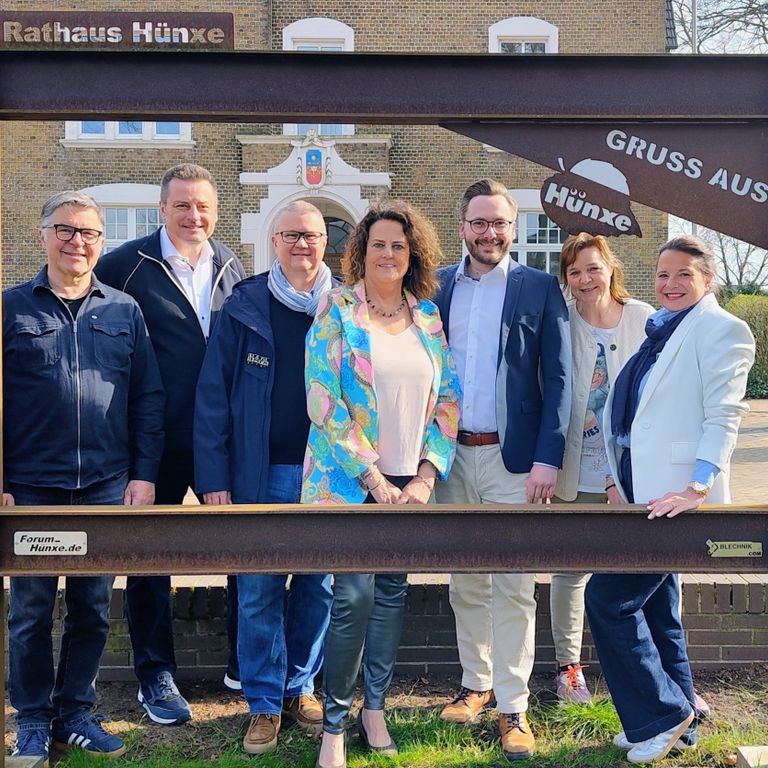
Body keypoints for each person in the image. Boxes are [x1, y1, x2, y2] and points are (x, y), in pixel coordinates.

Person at [2, 191, 164, 765]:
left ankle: (75, 713)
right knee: (29, 612)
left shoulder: (124, 310)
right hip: (31, 488)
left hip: (104, 484)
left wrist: (144, 475)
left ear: (101, 242)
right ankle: (31, 720)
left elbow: (147, 398)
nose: (78, 242)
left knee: (93, 606)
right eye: (65, 230)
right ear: (44, 236)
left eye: (90, 233)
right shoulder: (10, 309)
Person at [302, 201, 460, 768]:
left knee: (391, 593)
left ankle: (375, 708)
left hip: (408, 482)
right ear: (361, 253)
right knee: (353, 597)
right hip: (351, 479)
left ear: (412, 253)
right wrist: (371, 475)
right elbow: (321, 397)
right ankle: (334, 724)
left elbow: (448, 400)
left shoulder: (428, 317)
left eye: (398, 245)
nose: (388, 254)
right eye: (378, 245)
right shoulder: (337, 308)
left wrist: (425, 476)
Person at [586, 235, 755, 764]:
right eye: (663, 274)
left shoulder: (722, 329)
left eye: (683, 274)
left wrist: (697, 487)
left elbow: (725, 416)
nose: (670, 284)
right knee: (659, 609)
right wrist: (614, 480)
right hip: (643, 494)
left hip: (676, 500)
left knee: (608, 600)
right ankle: (682, 724)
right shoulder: (662, 331)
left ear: (707, 279)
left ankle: (660, 716)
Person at [96, 163, 246, 724]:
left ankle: (243, 661)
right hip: (152, 441)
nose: (193, 216)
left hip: (220, 440)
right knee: (149, 557)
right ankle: (154, 674)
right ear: (162, 209)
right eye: (182, 205)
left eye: (203, 206)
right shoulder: (124, 266)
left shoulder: (231, 265)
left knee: (242, 548)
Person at [433, 179, 570, 761]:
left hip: (514, 462)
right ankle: (476, 684)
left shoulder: (539, 287)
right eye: (479, 222)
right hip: (447, 457)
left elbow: (558, 378)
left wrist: (548, 457)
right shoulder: (435, 285)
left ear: (513, 228)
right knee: (465, 579)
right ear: (462, 226)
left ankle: (514, 706)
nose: (489, 233)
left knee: (514, 585)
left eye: (499, 223)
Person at [194, 200, 335, 754]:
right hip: (261, 472)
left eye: (312, 235)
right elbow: (212, 396)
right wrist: (214, 477)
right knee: (258, 590)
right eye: (291, 235)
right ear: (275, 241)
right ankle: (263, 702)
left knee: (318, 586)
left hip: (327, 474)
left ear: (326, 243)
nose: (302, 244)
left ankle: (299, 687)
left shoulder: (346, 305)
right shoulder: (244, 304)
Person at [551, 233, 654, 703]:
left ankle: (645, 670)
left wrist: (618, 475)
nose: (585, 279)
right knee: (569, 571)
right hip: (573, 472)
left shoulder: (643, 319)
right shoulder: (561, 321)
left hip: (633, 474)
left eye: (593, 268)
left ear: (610, 268)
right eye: (574, 272)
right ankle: (568, 669)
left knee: (641, 572)